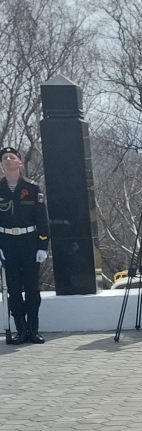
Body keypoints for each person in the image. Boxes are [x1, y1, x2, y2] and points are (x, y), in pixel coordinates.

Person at [0, 146, 49, 344]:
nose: (8, 160)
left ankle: (33, 329)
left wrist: (42, 246)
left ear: (20, 162)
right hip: (7, 243)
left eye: (12, 157)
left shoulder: (32, 188)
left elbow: (42, 219)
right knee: (13, 288)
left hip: (29, 242)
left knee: (31, 288)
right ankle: (20, 330)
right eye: (5, 158)